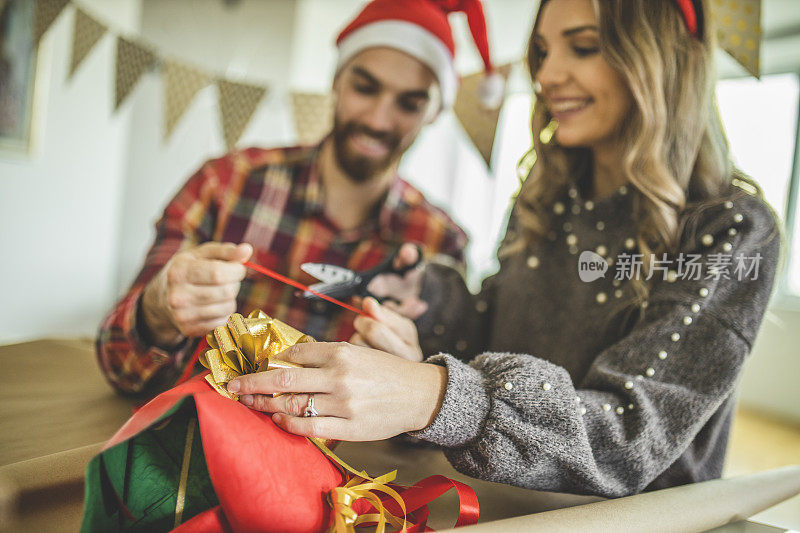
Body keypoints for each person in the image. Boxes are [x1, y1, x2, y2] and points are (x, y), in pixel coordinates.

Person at [225, 0, 783, 498]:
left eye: (583, 47)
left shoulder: (731, 231)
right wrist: (429, 299)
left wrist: (435, 395)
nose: (546, 75)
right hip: (503, 506)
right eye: (541, 51)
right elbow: (491, 330)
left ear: (659, 61)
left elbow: (628, 435)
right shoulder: (547, 199)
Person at [97, 0, 507, 396]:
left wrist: (414, 391)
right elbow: (118, 364)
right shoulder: (225, 184)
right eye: (365, 88)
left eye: (409, 103)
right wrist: (157, 311)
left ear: (433, 112)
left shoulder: (440, 245)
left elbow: (438, 431)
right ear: (337, 80)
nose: (379, 119)